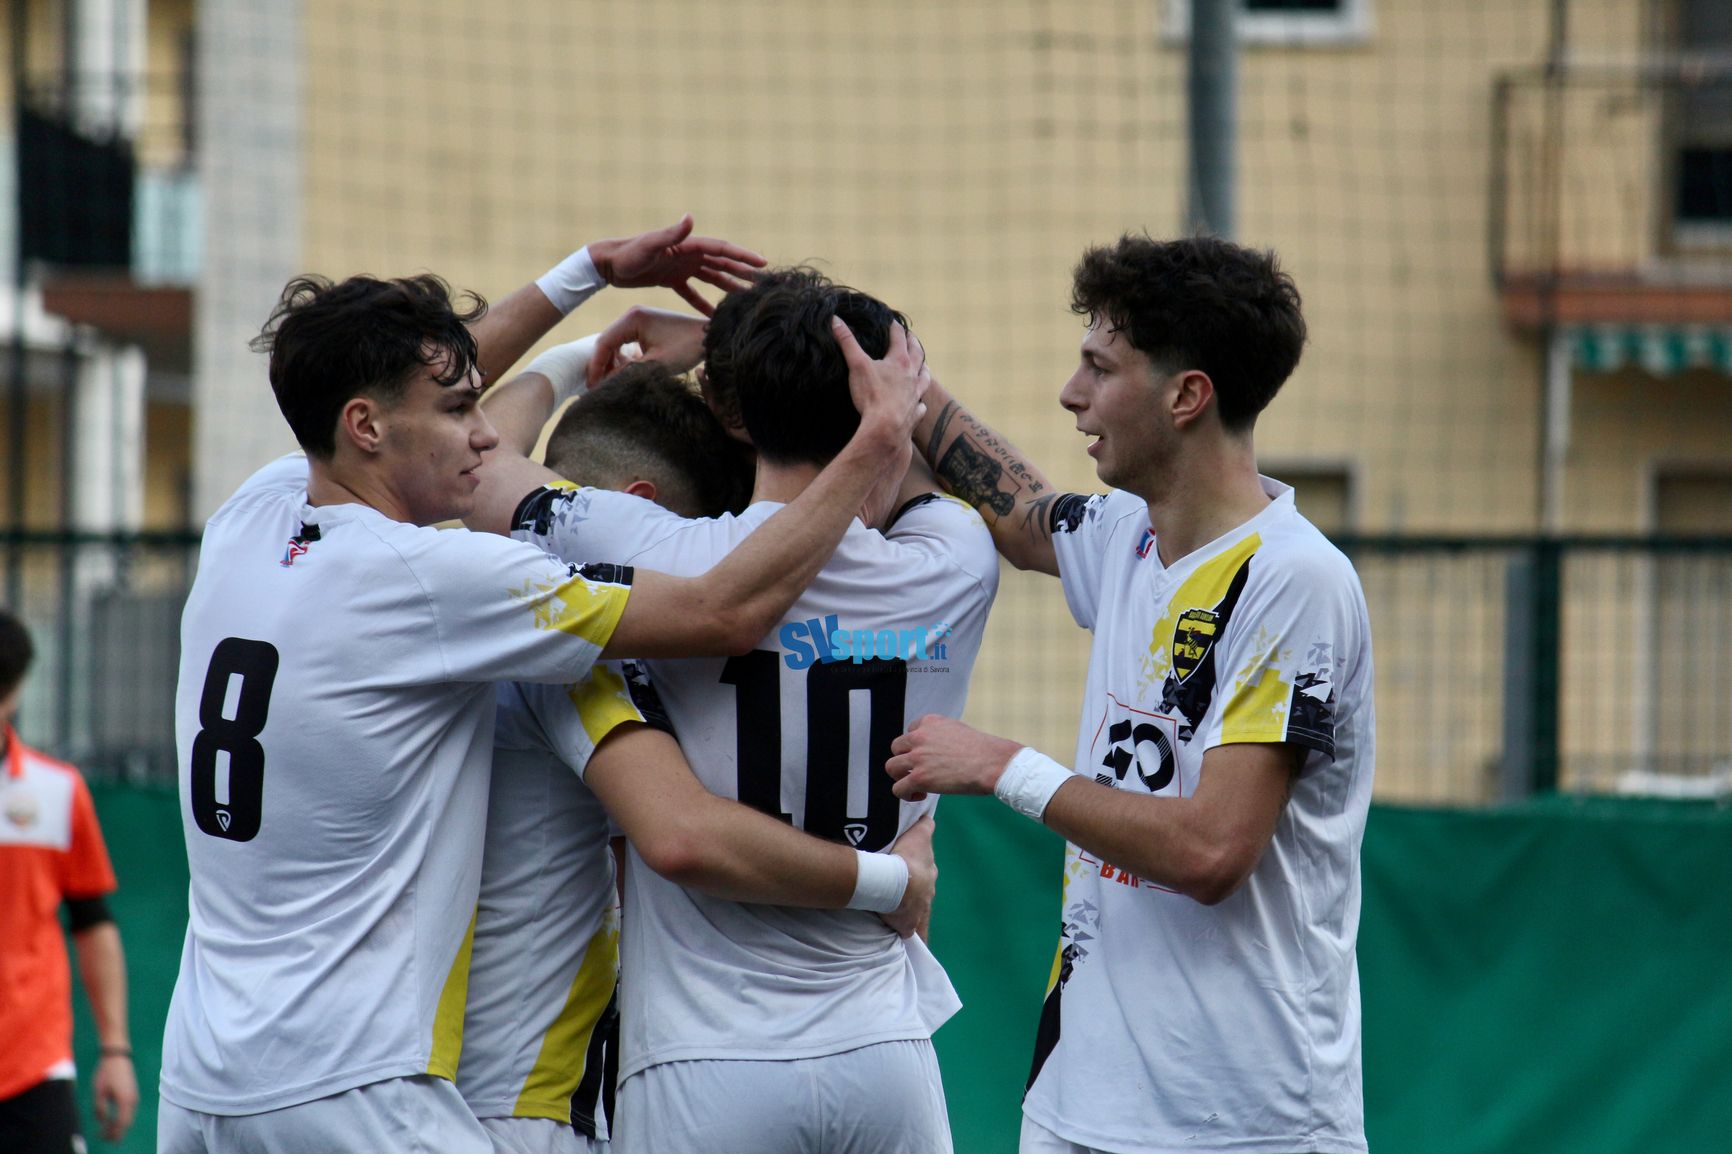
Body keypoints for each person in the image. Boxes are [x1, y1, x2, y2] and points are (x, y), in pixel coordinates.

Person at [157, 220, 930, 1154]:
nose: (486, 433)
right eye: (458, 412)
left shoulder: (254, 513)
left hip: (200, 1070)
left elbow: (408, 402)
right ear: (364, 427)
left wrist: (584, 294)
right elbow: (722, 614)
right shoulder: (444, 582)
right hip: (352, 1084)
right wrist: (875, 442)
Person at [468, 268, 1002, 1154]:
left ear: (727, 410)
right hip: (885, 1049)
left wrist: (588, 354)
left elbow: (482, 457)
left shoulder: (656, 550)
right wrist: (880, 400)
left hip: (706, 1059)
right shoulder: (955, 561)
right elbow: (923, 468)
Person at [883, 234, 1375, 1154]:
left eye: (1100, 368)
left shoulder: (1294, 579)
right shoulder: (1129, 536)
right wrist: (885, 366)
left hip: (1242, 1122)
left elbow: (1211, 851)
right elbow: (1020, 513)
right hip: (1078, 1100)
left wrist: (1003, 767)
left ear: (1187, 397)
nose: (1071, 394)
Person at [0, 608, 138, 1153]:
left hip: (32, 1068)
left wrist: (116, 1050)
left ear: (13, 690)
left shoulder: (55, 792)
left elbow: (92, 920)